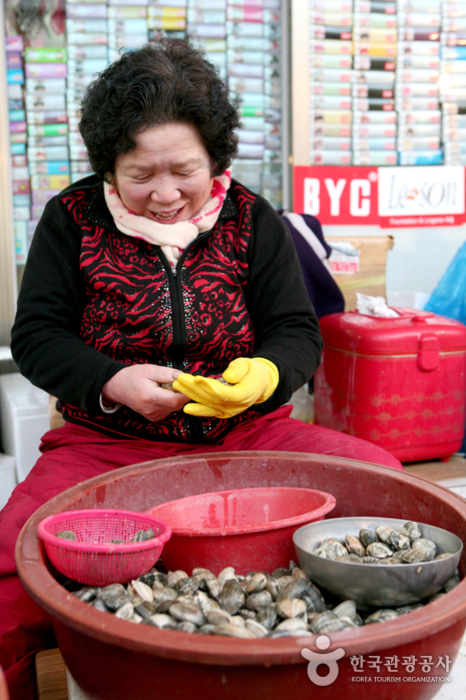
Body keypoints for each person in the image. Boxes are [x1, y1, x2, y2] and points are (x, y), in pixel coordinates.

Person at [0, 39, 402, 699]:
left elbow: (296, 332)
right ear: (109, 166)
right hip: (105, 444)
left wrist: (267, 376)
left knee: (383, 486)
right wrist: (110, 381)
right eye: (139, 174)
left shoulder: (251, 219)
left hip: (251, 435)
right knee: (13, 554)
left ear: (215, 156)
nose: (164, 195)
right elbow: (38, 337)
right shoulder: (70, 219)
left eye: (182, 170)